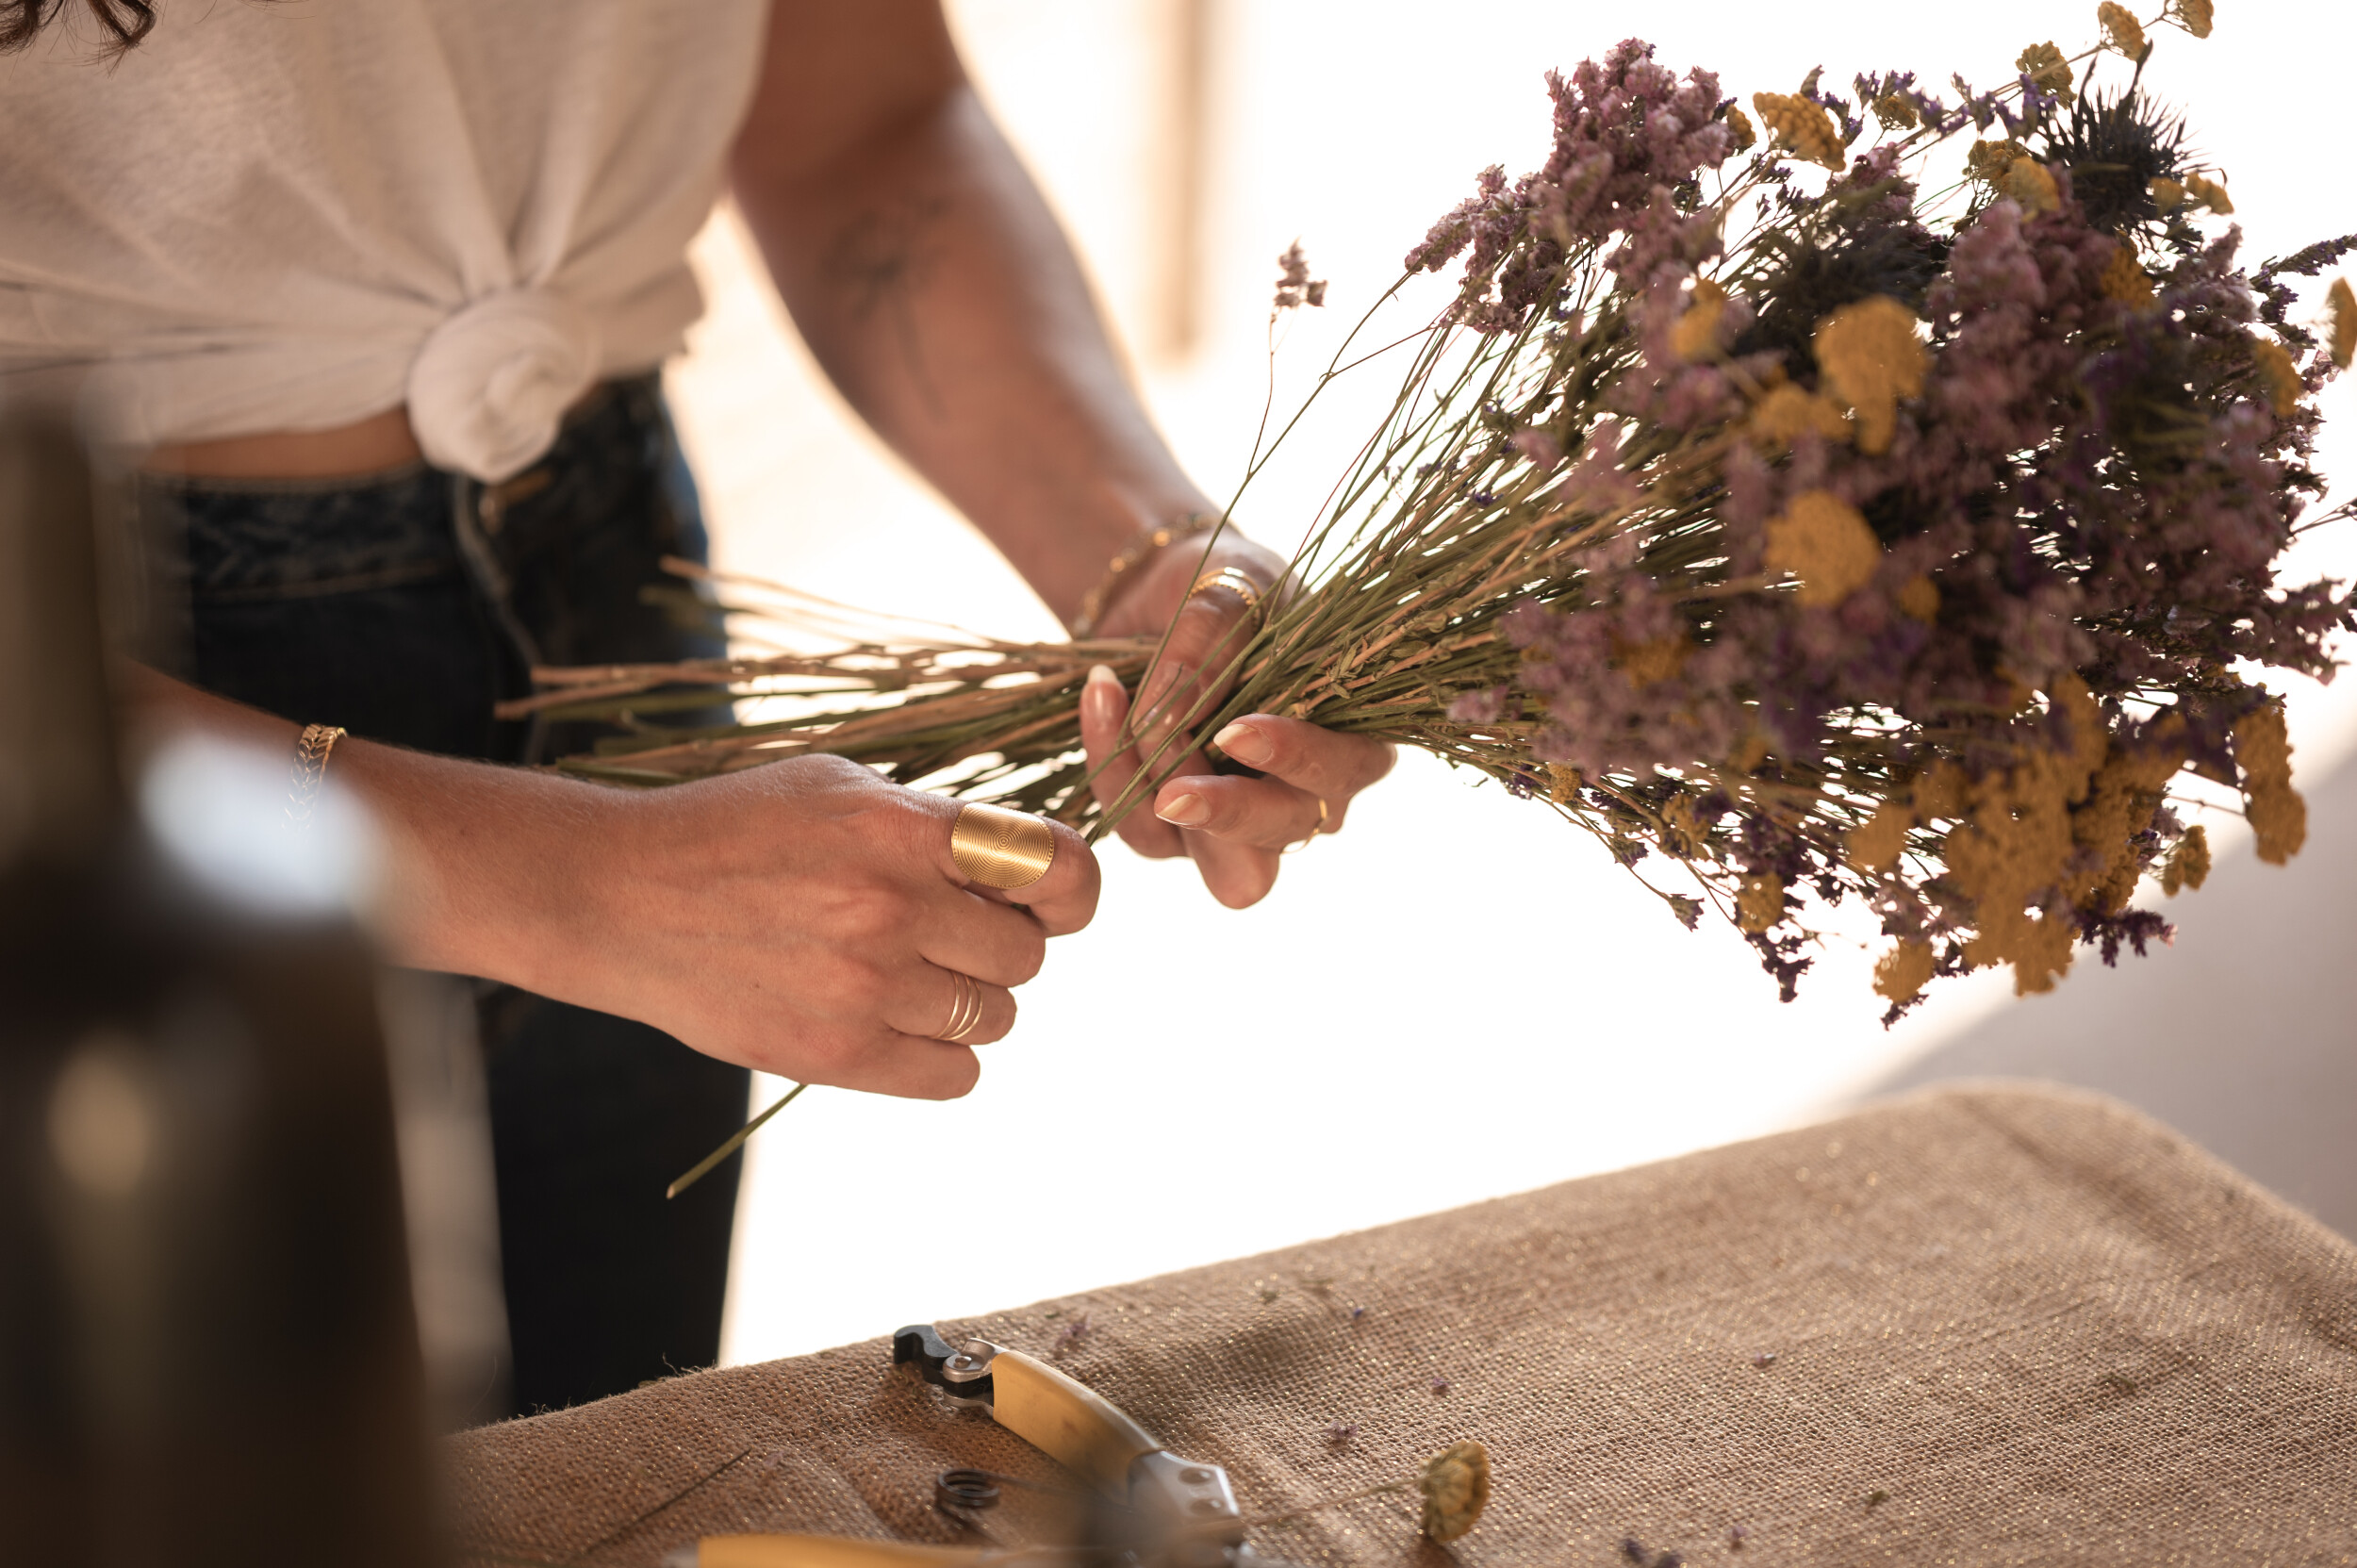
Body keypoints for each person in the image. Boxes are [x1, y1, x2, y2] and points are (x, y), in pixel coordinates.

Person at [0, 0, 1395, 1415]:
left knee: (599, 1471)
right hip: (79, 668)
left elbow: (858, 121)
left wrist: (1149, 557)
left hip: (617, 596)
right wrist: (584, 880)